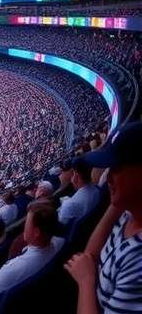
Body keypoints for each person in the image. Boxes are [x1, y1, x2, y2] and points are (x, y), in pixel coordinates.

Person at [65, 121, 142, 312]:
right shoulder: (129, 212)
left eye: (116, 168)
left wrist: (85, 282)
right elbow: (89, 256)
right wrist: (118, 201)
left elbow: (87, 265)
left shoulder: (139, 263)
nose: (107, 178)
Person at [0, 201, 63, 298]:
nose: (24, 226)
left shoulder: (14, 268)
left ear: (36, 232)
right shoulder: (61, 242)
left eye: (27, 222)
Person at [57, 158, 100, 225]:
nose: (71, 179)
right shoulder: (97, 189)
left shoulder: (69, 205)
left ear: (77, 175)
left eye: (73, 173)